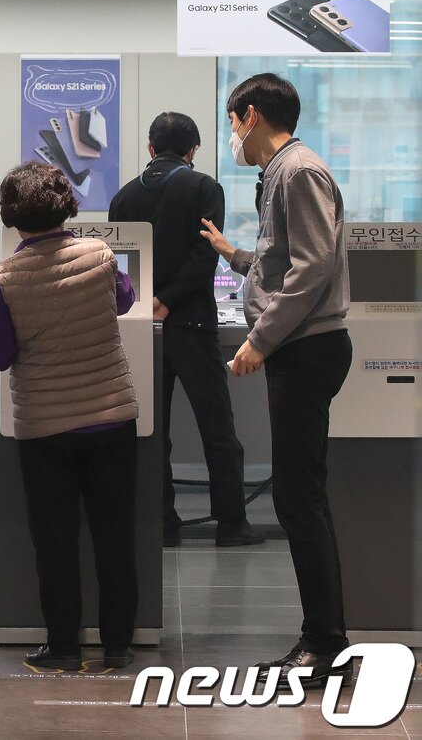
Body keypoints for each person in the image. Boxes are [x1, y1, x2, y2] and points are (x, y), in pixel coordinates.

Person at [200, 73, 353, 688]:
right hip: (299, 344)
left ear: (252, 115)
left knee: (300, 498)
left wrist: (259, 341)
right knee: (297, 495)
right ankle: (321, 638)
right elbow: (281, 259)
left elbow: (314, 267)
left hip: (306, 348)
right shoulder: (281, 174)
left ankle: (325, 644)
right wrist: (234, 255)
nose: (232, 134)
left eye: (232, 121)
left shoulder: (299, 171)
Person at [0, 162, 140, 671]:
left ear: (11, 217)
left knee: (55, 540)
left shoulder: (1, 279)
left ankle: (65, 648)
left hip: (45, 427)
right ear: (66, 206)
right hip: (112, 417)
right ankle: (117, 645)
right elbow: (125, 299)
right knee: (115, 535)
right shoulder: (100, 255)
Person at [109, 112, 264, 549]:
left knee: (154, 429)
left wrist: (152, 302)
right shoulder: (203, 187)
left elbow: (119, 261)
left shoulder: (123, 198)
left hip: (142, 327)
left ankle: (162, 525)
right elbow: (205, 255)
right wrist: (173, 299)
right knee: (217, 428)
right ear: (193, 149)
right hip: (192, 324)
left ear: (150, 148)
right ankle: (232, 525)